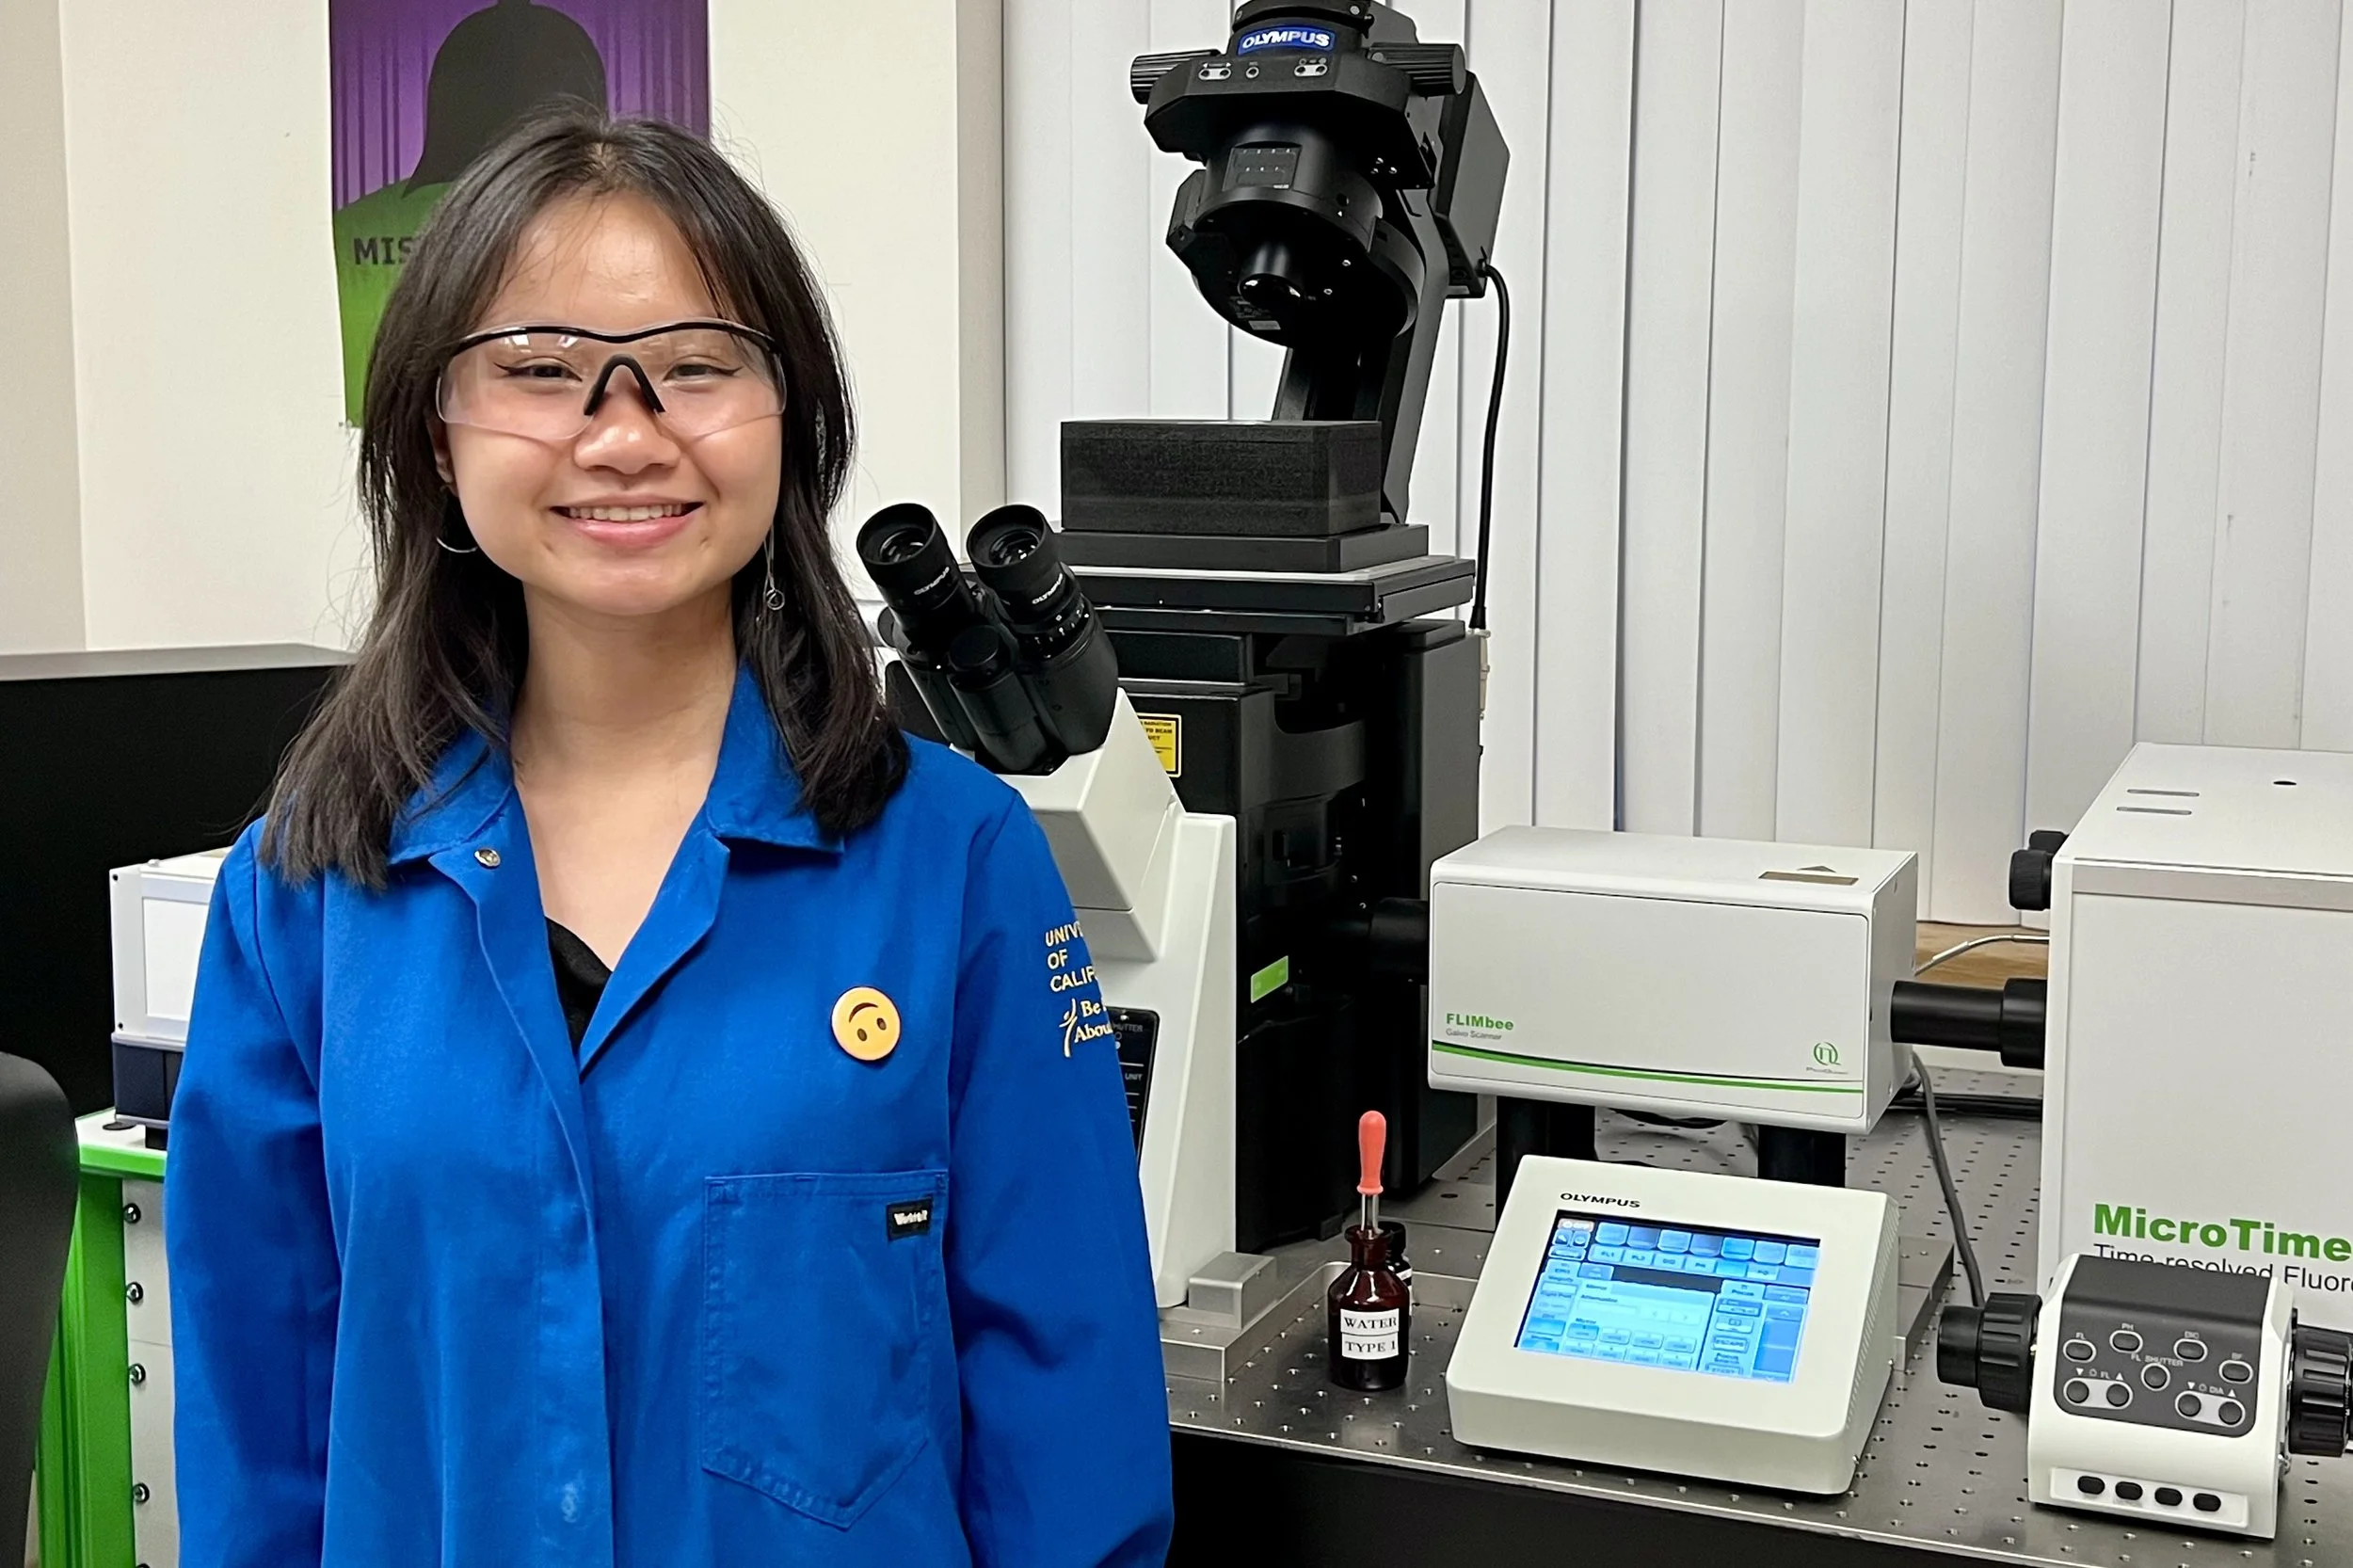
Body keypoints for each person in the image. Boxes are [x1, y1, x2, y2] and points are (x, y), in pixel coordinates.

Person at [166, 108, 1174, 1568]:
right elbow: (258, 1437)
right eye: (541, 370)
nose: (626, 433)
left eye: (697, 366)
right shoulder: (307, 895)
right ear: (437, 435)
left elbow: (1067, 1432)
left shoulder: (959, 869)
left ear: (790, 420)